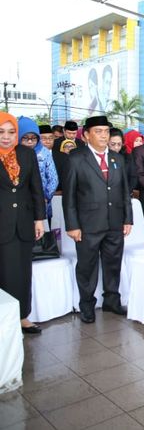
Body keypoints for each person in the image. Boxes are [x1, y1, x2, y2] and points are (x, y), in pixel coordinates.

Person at [63, 116, 133, 323]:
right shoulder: (76, 158)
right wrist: (72, 225)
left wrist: (127, 218)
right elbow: (69, 196)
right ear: (86, 135)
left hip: (114, 222)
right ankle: (87, 305)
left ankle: (112, 300)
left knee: (113, 263)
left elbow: (124, 191)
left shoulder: (117, 158)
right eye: (98, 131)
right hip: (87, 224)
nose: (104, 135)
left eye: (106, 131)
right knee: (87, 266)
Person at [0, 112, 46, 334]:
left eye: (11, 132)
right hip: (2, 222)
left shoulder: (26, 154)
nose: (6, 137)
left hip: (24, 222)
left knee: (22, 272)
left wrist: (39, 219)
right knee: (3, 272)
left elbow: (36, 189)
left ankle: (22, 316)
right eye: (1, 132)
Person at [18, 117, 58, 220]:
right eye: (25, 138)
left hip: (42, 202)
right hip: (18, 204)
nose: (30, 142)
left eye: (34, 138)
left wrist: (45, 197)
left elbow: (53, 178)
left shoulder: (44, 152)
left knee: (42, 232)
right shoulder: (13, 154)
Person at [123, 130, 143, 197]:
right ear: (129, 140)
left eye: (141, 141)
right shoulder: (124, 156)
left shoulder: (141, 154)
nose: (139, 143)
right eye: (136, 141)